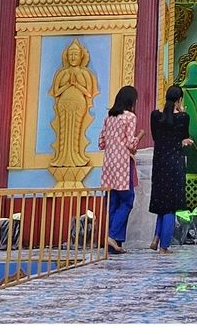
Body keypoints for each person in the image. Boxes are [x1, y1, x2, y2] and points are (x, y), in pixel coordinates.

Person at [98, 85, 144, 254]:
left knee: (112, 202)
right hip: (123, 164)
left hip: (108, 164)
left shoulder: (109, 117)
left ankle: (113, 243)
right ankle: (112, 235)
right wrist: (140, 136)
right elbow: (130, 144)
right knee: (127, 200)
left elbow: (101, 143)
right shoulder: (130, 117)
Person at [148, 86, 194, 254]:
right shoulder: (183, 117)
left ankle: (156, 238)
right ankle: (164, 246)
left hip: (159, 163)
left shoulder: (155, 116)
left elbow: (156, 137)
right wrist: (183, 142)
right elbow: (184, 137)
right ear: (179, 100)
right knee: (170, 205)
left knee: (162, 202)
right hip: (175, 163)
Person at [49, 39, 99, 168]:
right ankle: (61, 157)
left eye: (76, 54)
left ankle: (77, 156)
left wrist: (76, 84)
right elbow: (55, 92)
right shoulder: (62, 73)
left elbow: (88, 93)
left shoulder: (85, 73)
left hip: (79, 104)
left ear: (81, 56)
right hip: (63, 104)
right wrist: (67, 85)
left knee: (75, 130)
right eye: (71, 54)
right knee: (64, 131)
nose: (73, 57)